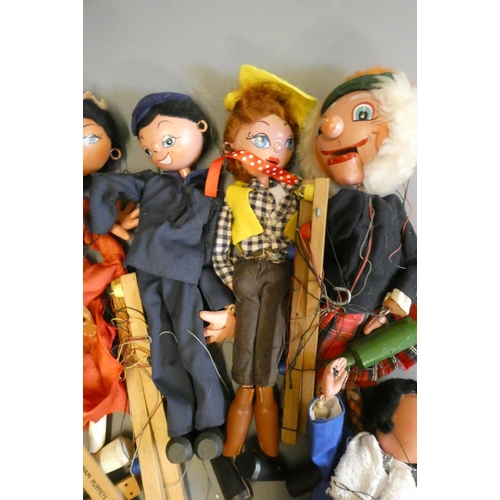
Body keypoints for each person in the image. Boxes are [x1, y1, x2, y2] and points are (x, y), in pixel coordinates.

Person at [88, 92, 235, 463]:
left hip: (187, 278)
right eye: (149, 148)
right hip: (147, 274)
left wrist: (225, 301)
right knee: (162, 349)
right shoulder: (152, 184)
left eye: (168, 140)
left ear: (200, 127)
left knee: (193, 345)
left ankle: (213, 419)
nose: (160, 153)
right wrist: (108, 222)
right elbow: (103, 184)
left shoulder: (214, 191)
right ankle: (180, 424)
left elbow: (217, 252)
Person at [206, 65, 317, 458]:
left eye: (285, 141)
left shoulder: (297, 194)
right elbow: (220, 247)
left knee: (274, 332)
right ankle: (246, 393)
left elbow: (311, 224)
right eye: (261, 138)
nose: (274, 149)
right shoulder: (235, 195)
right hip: (247, 270)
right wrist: (233, 280)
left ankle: (265, 394)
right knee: (247, 333)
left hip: (281, 272)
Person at [297, 67, 418, 388]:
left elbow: (417, 261)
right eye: (323, 125)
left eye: (362, 114)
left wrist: (394, 304)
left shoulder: (393, 208)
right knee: (307, 375)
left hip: (371, 317)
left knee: (350, 381)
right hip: (321, 311)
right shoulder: (328, 202)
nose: (333, 128)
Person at [83, 92, 136, 430]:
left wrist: (113, 226)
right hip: (90, 292)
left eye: (89, 138)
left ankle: (105, 404)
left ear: (114, 151)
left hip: (92, 297)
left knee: (97, 347)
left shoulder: (98, 197)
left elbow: (103, 238)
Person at [307, 358, 417, 499]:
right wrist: (327, 399)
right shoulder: (355, 450)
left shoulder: (409, 481)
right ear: (388, 418)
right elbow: (325, 446)